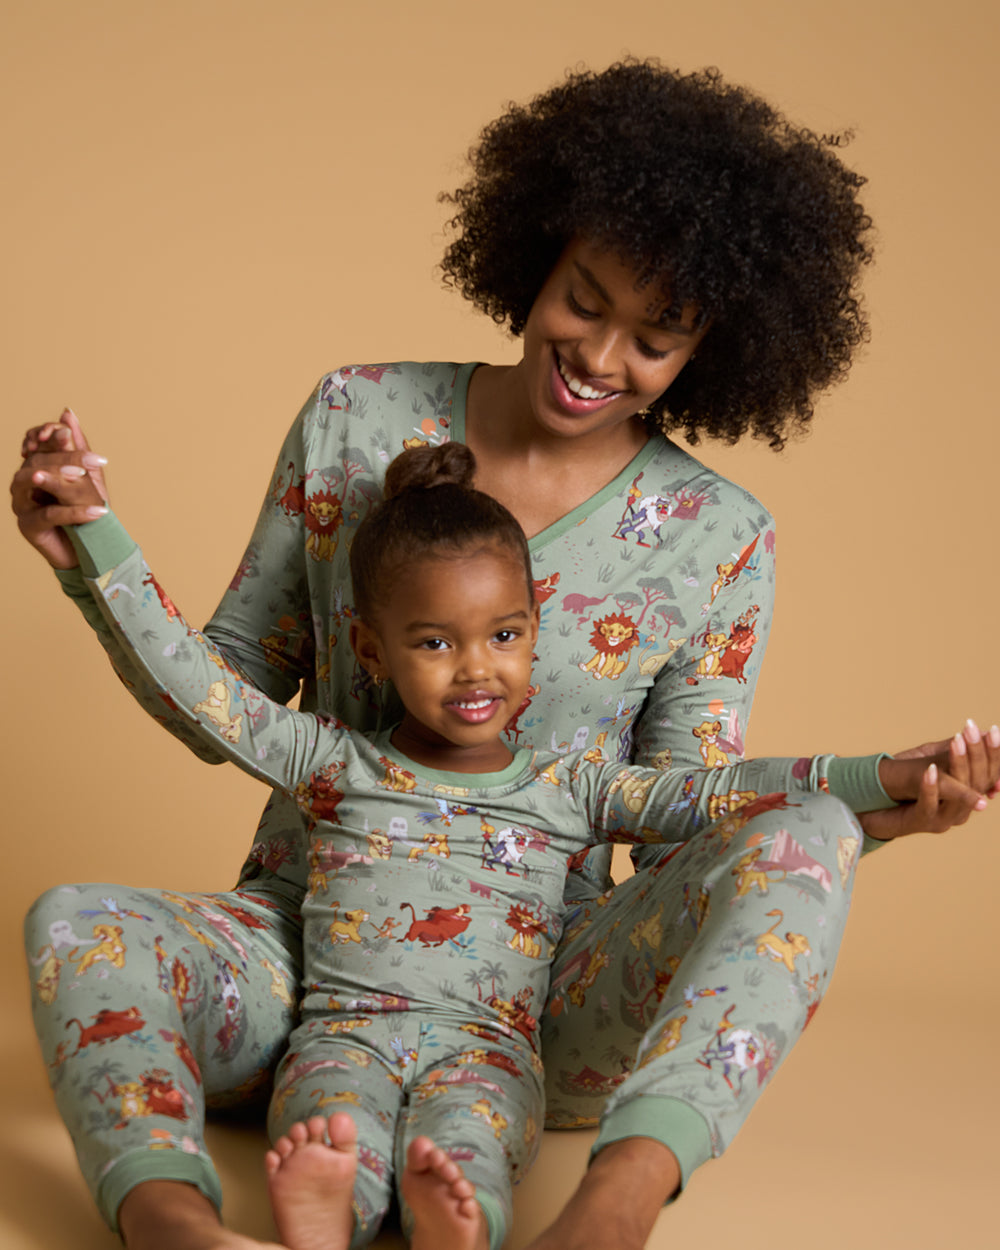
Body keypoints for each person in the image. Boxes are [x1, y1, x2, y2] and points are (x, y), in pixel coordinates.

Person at [14, 59, 999, 1250]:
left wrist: (872, 798)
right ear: (534, 253)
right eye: (586, 299)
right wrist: (88, 549)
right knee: (77, 916)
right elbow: (219, 686)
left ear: (713, 349)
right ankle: (174, 1224)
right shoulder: (354, 414)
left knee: (815, 830)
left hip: (540, 995)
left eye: (659, 337)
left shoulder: (722, 538)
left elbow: (684, 801)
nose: (602, 356)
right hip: (310, 961)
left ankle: (611, 1214)